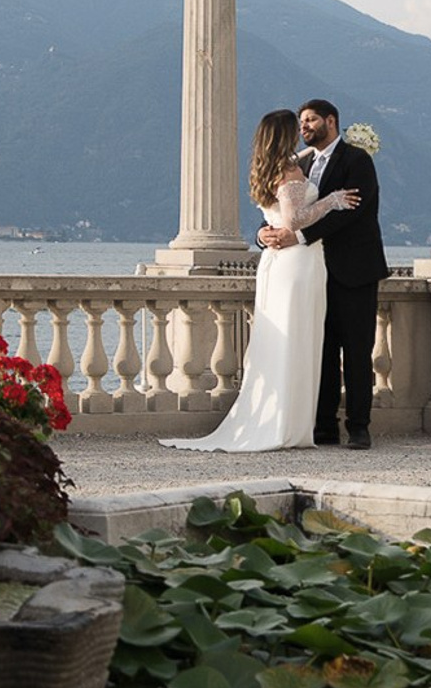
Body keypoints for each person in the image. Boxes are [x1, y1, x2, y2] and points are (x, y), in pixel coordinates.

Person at [164, 110, 360, 455]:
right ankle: (289, 426)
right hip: (298, 263)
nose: (302, 131)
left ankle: (285, 421)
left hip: (276, 263)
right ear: (285, 134)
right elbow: (294, 219)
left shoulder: (270, 165)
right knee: (298, 340)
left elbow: (285, 201)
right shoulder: (289, 170)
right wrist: (332, 200)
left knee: (282, 340)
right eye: (295, 127)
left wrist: (343, 145)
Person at [257, 97, 388, 448]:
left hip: (354, 270)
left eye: (311, 120)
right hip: (311, 272)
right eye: (301, 122)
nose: (304, 127)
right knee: (321, 349)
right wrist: (262, 234)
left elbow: (352, 213)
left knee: (357, 351)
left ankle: (359, 426)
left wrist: (298, 236)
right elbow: (284, 209)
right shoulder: (299, 162)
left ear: (331, 121)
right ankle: (323, 424)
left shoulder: (357, 160)